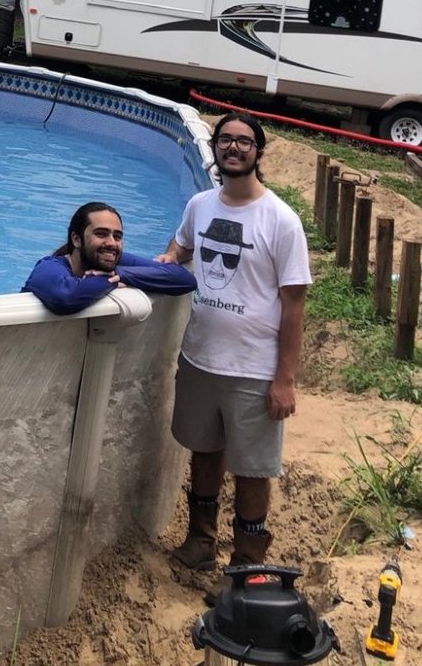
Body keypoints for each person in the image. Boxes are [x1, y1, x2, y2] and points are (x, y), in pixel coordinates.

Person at [156, 113, 311, 576]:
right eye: (226, 140)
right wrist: (168, 258)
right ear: (217, 148)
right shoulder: (201, 205)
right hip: (200, 357)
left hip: (253, 368)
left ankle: (246, 565)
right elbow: (183, 245)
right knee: (204, 451)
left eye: (245, 142)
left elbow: (295, 306)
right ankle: (200, 542)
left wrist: (284, 379)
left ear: (258, 153)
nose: (234, 148)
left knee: (252, 469)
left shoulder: (281, 221)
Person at [22, 202, 196, 315]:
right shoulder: (48, 267)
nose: (111, 243)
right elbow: (65, 297)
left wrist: (121, 274)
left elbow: (184, 280)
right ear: (76, 239)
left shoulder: (115, 262)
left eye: (118, 236)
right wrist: (110, 280)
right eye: (101, 234)